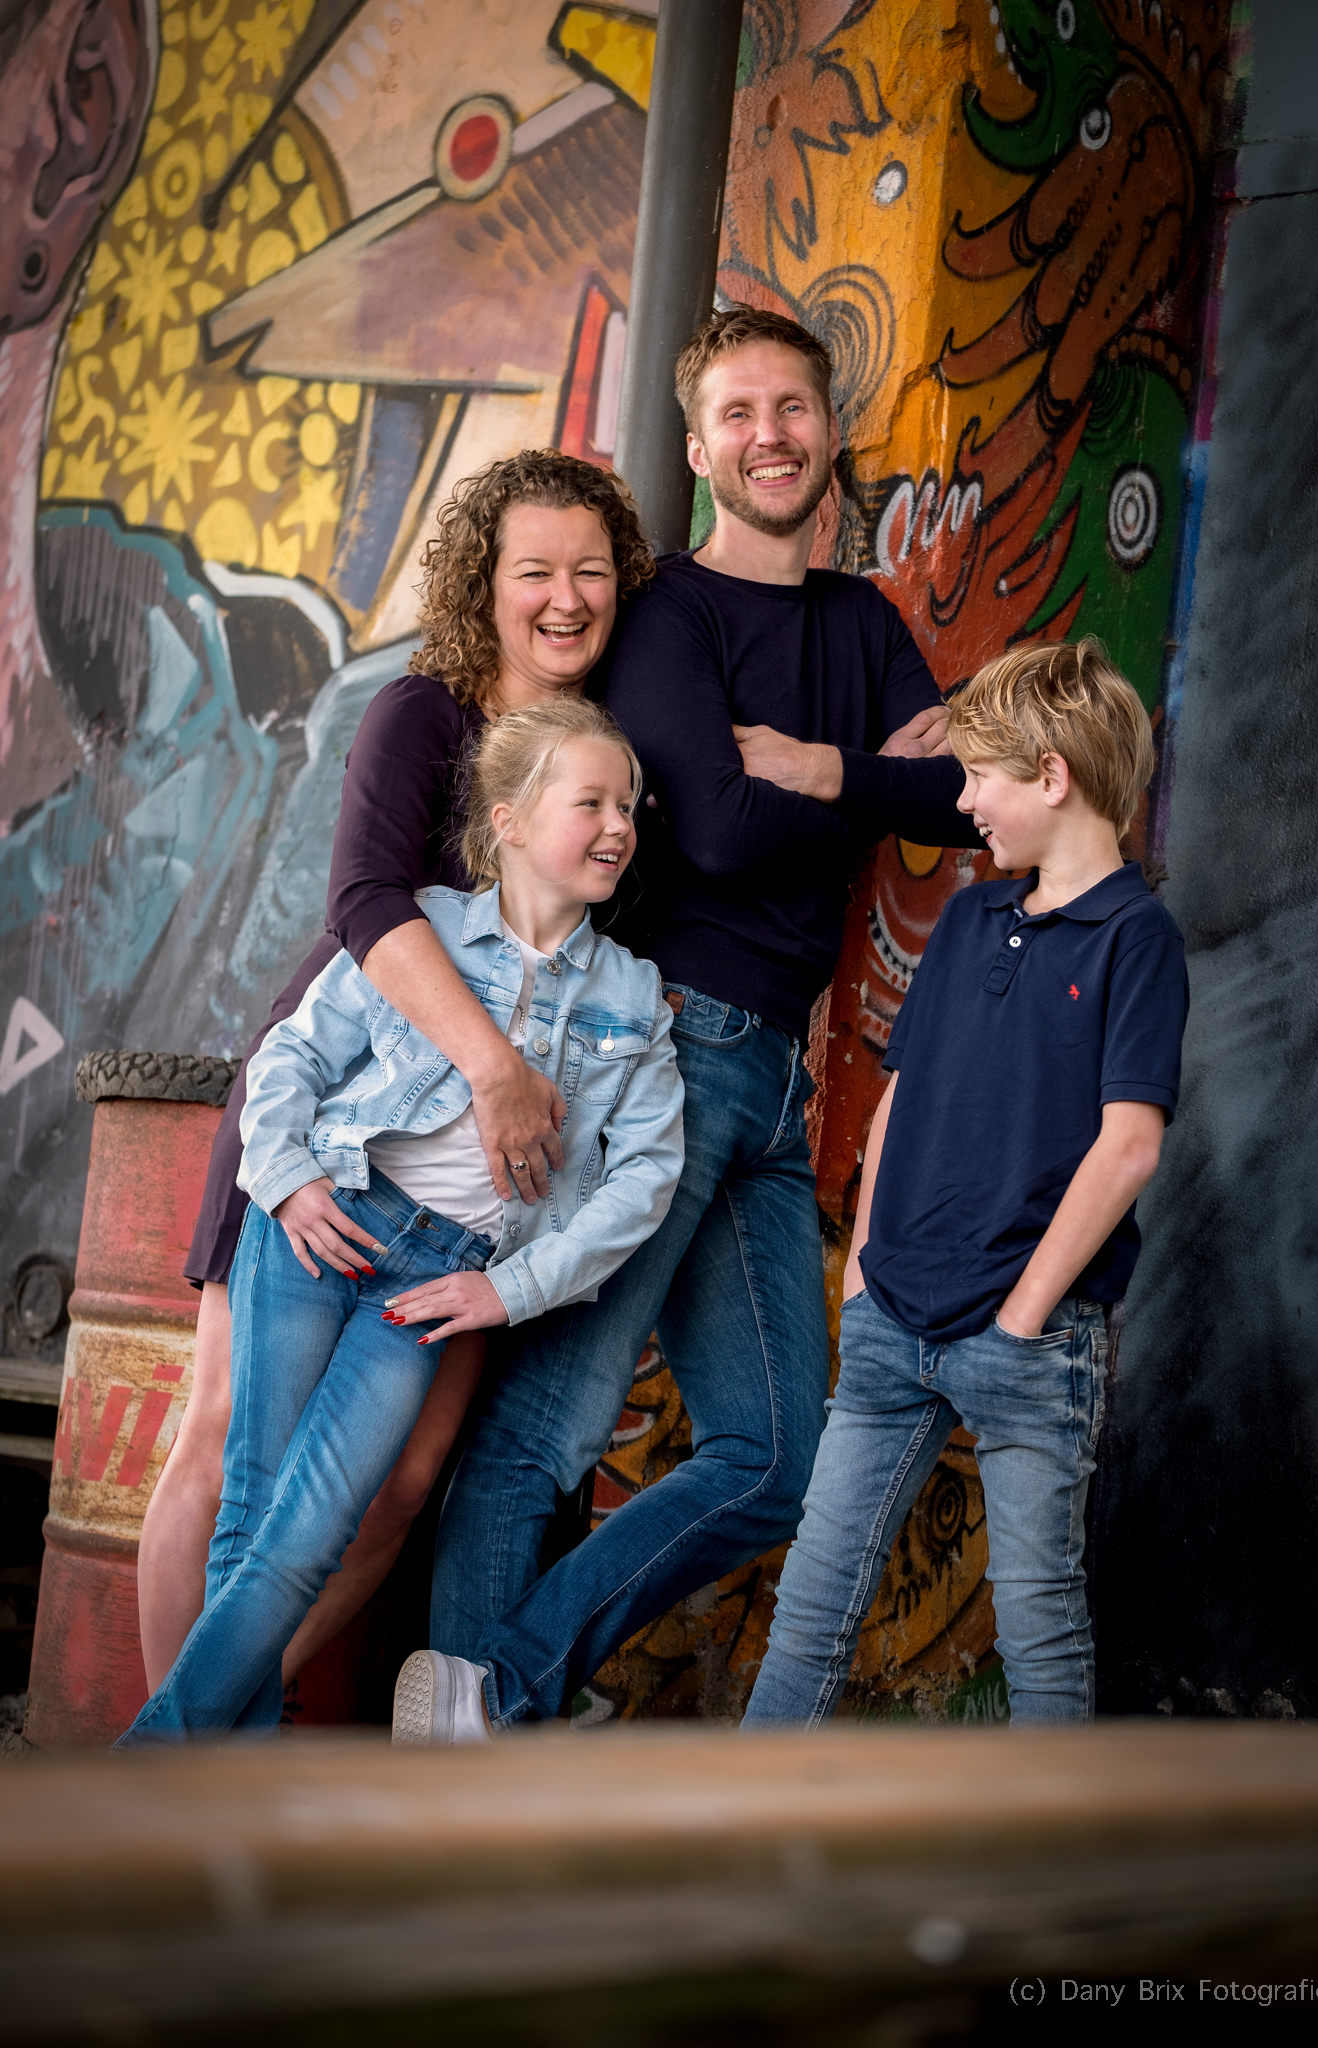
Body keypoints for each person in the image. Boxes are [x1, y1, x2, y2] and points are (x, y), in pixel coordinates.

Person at [408, 305, 981, 1740]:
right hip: (665, 1045)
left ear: (829, 430)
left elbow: (965, 793)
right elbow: (715, 830)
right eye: (738, 413)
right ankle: (457, 1763)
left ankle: (491, 1691)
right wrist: (865, 779)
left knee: (774, 1456)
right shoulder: (672, 613)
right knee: (548, 1426)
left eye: (792, 408)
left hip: (775, 1077)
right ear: (698, 445)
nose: (768, 436)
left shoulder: (862, 622)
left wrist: (818, 766)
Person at [136, 452, 655, 1694]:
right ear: (486, 581)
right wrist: (494, 1067)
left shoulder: (610, 764)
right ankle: (169, 1763)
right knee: (222, 1432)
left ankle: (214, 1718)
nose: (565, 598)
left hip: (475, 1199)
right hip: (335, 1115)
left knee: (401, 1484)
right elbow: (367, 900)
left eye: (592, 571)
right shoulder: (423, 714)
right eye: (534, 570)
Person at [743, 638, 1188, 1727]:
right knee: (811, 1603)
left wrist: (1024, 1313)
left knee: (1038, 1624)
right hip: (893, 1316)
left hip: (1027, 1341)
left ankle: (1046, 1841)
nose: (962, 799)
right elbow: (900, 1097)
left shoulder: (1138, 938)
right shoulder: (970, 920)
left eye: (980, 774)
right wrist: (863, 1270)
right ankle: (738, 1812)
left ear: (1053, 775)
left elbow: (1129, 1145)